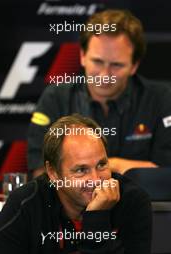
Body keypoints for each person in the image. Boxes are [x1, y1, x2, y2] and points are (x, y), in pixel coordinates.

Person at [28, 9, 171, 177]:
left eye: (116, 65)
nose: (104, 75)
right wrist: (118, 168)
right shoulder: (56, 98)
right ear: (82, 55)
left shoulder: (162, 99)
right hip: (74, 204)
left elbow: (166, 174)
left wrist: (105, 166)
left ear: (134, 66)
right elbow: (41, 171)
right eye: (97, 61)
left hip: (144, 203)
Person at [0, 114, 152, 254]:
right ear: (53, 172)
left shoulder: (133, 201)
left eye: (101, 165)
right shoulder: (26, 204)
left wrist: (97, 218)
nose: (95, 180)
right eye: (81, 170)